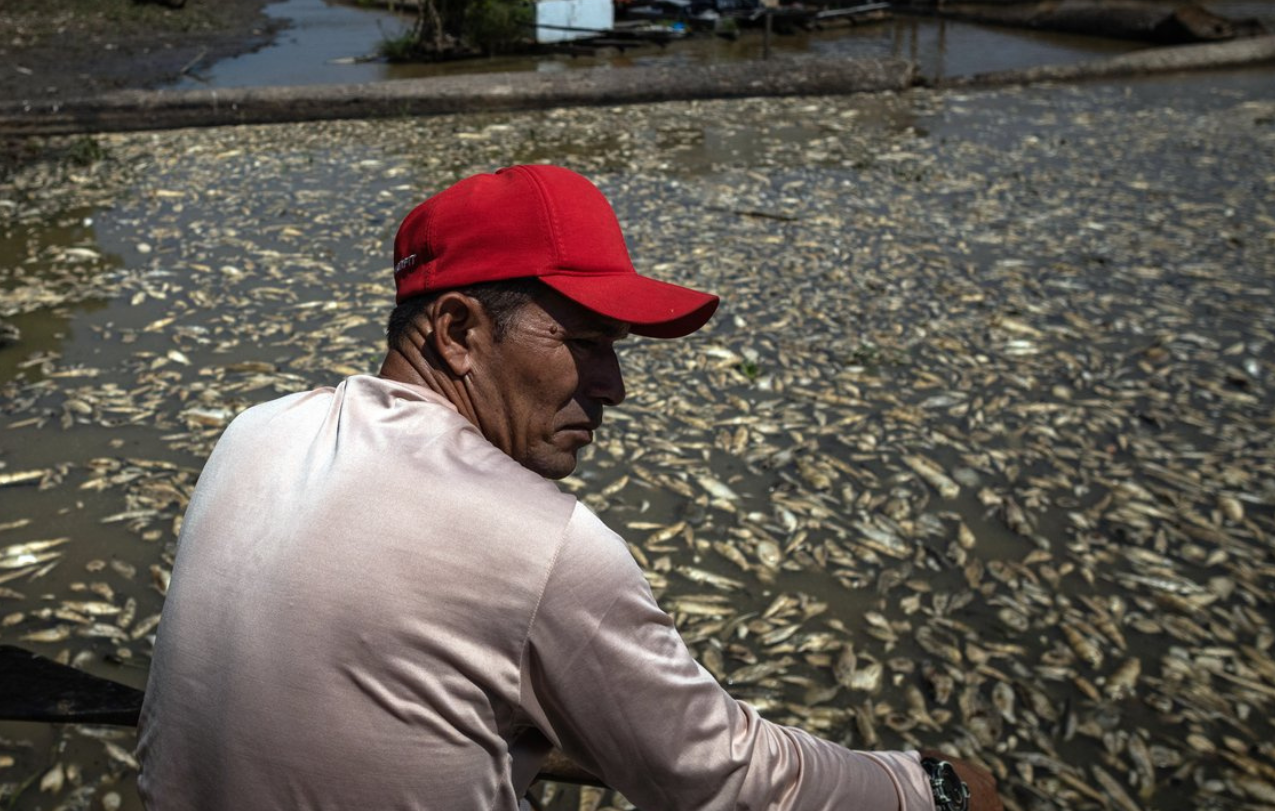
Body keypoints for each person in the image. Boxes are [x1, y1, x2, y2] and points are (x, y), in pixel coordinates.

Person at [135, 164, 998, 811]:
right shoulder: (541, 546)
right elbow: (725, 778)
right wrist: (929, 790)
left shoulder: (256, 428)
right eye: (586, 341)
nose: (614, 384)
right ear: (459, 330)